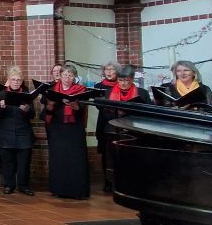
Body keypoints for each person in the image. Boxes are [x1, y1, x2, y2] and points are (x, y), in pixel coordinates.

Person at [97, 64, 150, 194]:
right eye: (121, 80)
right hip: (113, 129)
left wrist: (129, 113)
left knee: (133, 159)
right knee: (112, 158)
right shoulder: (109, 93)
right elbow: (105, 112)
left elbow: (148, 112)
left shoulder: (142, 93)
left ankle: (133, 184)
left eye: (126, 80)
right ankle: (111, 183)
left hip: (134, 131)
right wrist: (117, 113)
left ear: (132, 79)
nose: (123, 83)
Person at [41, 64, 90, 199]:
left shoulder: (81, 90)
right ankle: (59, 189)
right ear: (60, 76)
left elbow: (82, 108)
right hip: (57, 128)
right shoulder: (53, 90)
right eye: (65, 75)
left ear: (74, 77)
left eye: (70, 75)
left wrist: (75, 106)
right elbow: (47, 111)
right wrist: (51, 105)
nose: (67, 78)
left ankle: (77, 191)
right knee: (59, 158)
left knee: (75, 159)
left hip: (74, 129)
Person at [0, 66, 36, 196]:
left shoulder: (26, 94)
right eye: (13, 79)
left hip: (23, 132)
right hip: (5, 132)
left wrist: (27, 110)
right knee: (7, 161)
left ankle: (23, 185)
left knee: (24, 161)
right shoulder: (1, 94)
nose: (16, 82)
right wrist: (1, 108)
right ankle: (9, 185)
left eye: (18, 80)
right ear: (8, 80)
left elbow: (32, 115)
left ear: (22, 81)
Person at [94, 62, 119, 193]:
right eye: (107, 69)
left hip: (120, 122)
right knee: (106, 153)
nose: (109, 72)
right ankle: (107, 181)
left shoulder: (123, 85)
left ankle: (120, 181)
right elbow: (98, 105)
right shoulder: (99, 87)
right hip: (104, 122)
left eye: (112, 69)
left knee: (119, 153)